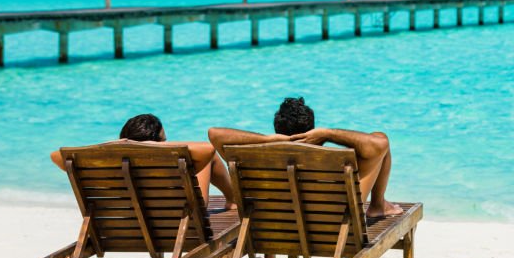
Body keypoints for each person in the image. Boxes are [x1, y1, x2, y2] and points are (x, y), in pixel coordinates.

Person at [208, 97, 402, 220]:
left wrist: (267, 140)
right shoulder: (329, 161)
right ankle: (377, 205)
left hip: (274, 229)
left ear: (277, 129)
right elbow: (380, 144)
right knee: (379, 137)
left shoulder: (253, 160)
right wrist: (328, 133)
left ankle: (378, 205)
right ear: (313, 130)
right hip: (332, 227)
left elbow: (215, 133)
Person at [50, 113, 236, 210]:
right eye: (164, 140)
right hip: (181, 219)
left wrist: (119, 145)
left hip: (130, 220)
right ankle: (232, 199)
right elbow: (208, 148)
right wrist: (160, 147)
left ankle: (232, 199)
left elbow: (56, 156)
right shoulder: (167, 161)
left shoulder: (112, 165)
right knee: (207, 158)